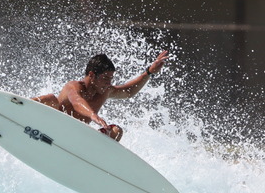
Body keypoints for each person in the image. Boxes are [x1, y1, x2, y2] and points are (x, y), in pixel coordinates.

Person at [32, 51, 169, 141]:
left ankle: (98, 162)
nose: (108, 82)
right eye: (105, 78)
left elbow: (128, 92)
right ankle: (14, 109)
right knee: (49, 99)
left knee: (116, 131)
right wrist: (93, 116)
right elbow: (77, 102)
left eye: (111, 78)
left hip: (75, 138)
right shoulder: (73, 86)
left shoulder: (105, 90)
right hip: (50, 128)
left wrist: (149, 73)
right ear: (91, 75)